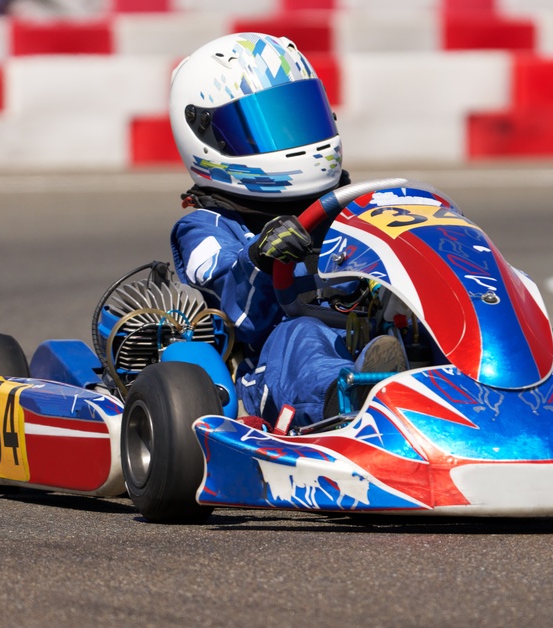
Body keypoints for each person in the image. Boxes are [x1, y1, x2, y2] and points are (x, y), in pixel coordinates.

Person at [167, 32, 404, 429]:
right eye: (263, 127)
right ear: (204, 135)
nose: (293, 141)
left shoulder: (352, 208)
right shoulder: (203, 227)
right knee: (303, 335)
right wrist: (260, 257)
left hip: (364, 335)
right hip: (269, 368)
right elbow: (237, 307)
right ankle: (347, 400)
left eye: (299, 118)